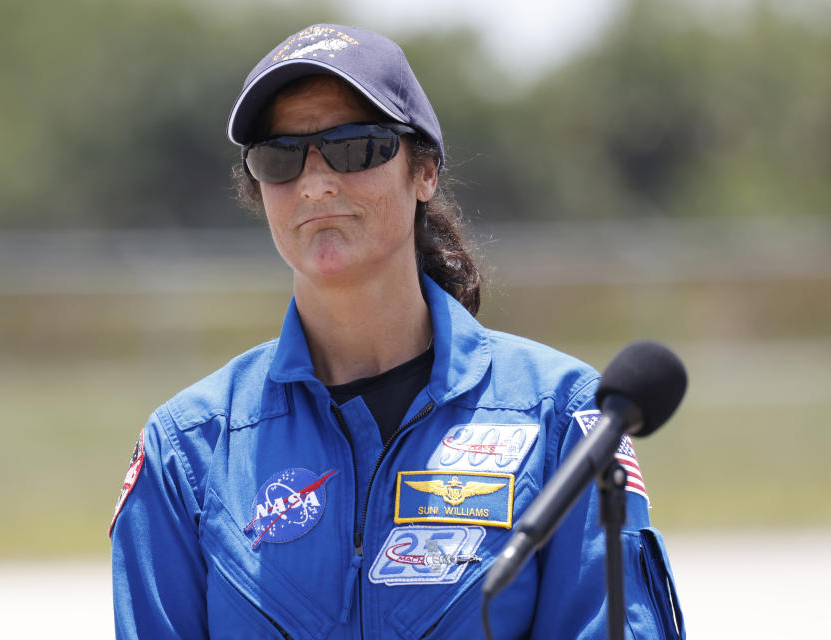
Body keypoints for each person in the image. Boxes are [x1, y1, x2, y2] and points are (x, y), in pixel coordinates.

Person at [110, 23, 685, 639]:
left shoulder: (560, 419)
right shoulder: (188, 448)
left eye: (355, 147)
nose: (315, 182)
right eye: (280, 156)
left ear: (426, 171)